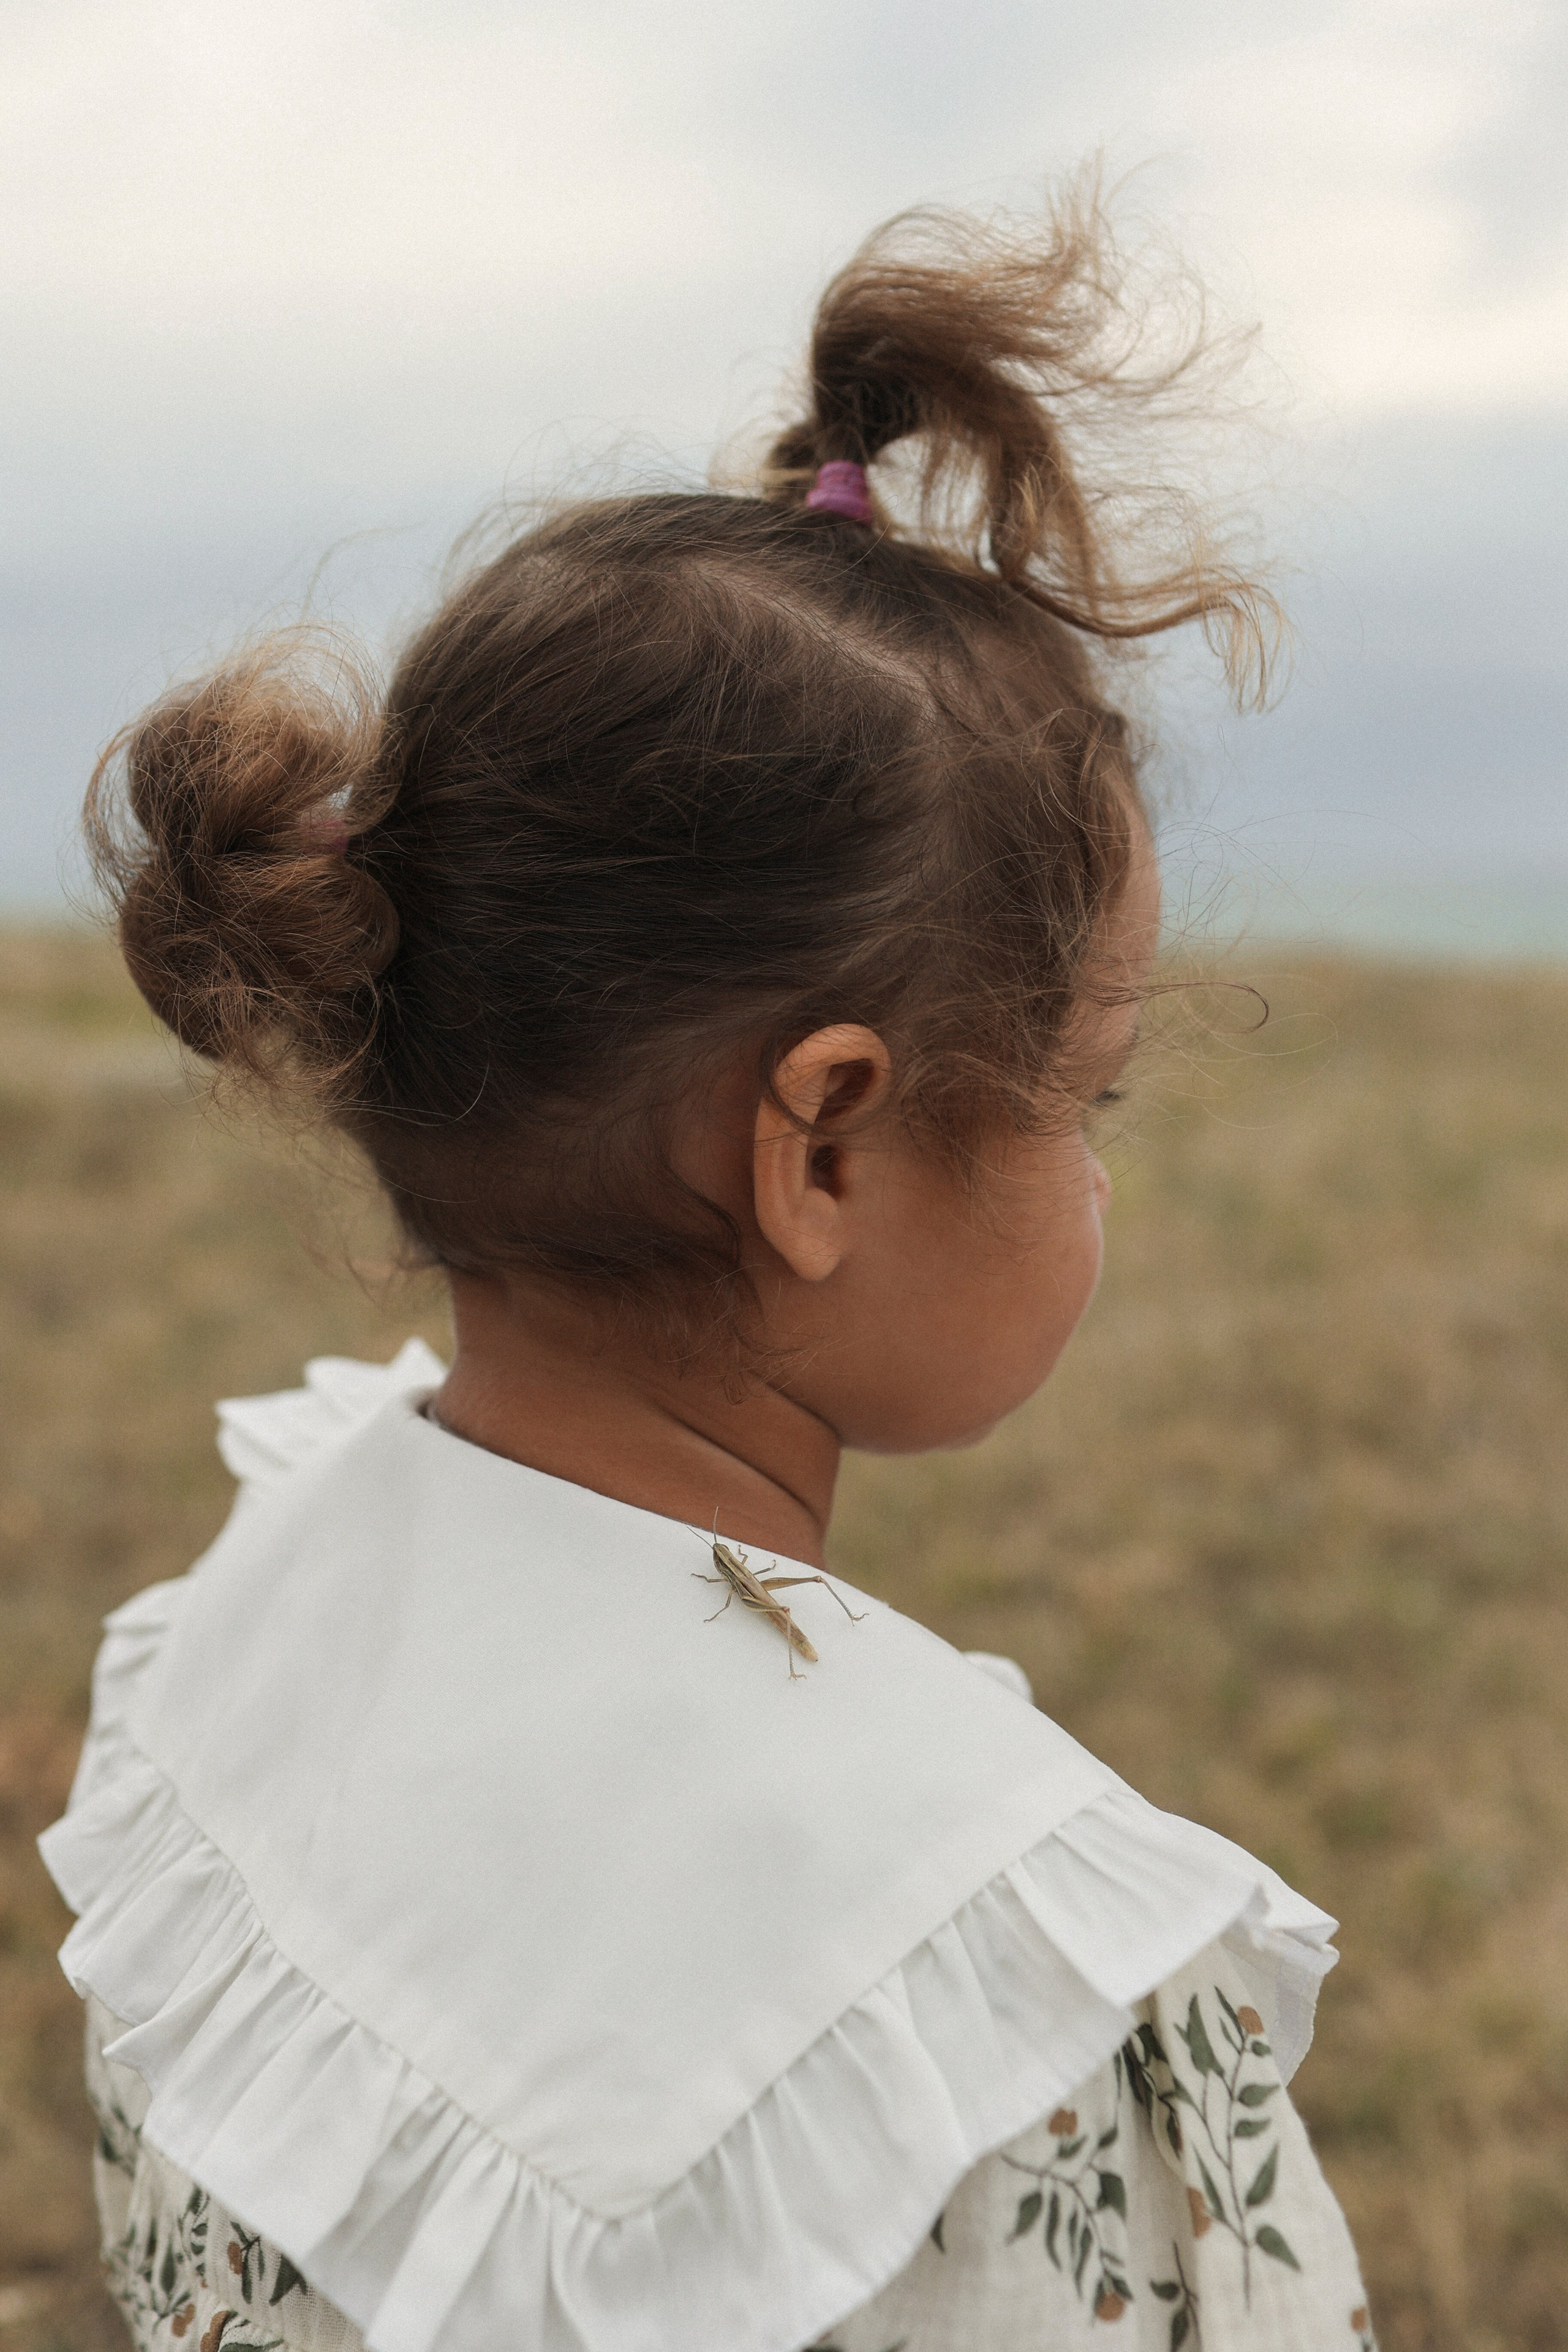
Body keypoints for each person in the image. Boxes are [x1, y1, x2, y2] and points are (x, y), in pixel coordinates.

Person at [43, 189, 1375, 2352]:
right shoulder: (990, 2013)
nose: (1100, 1184)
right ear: (822, 1145)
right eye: (1086, 1099)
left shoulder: (229, 1640)